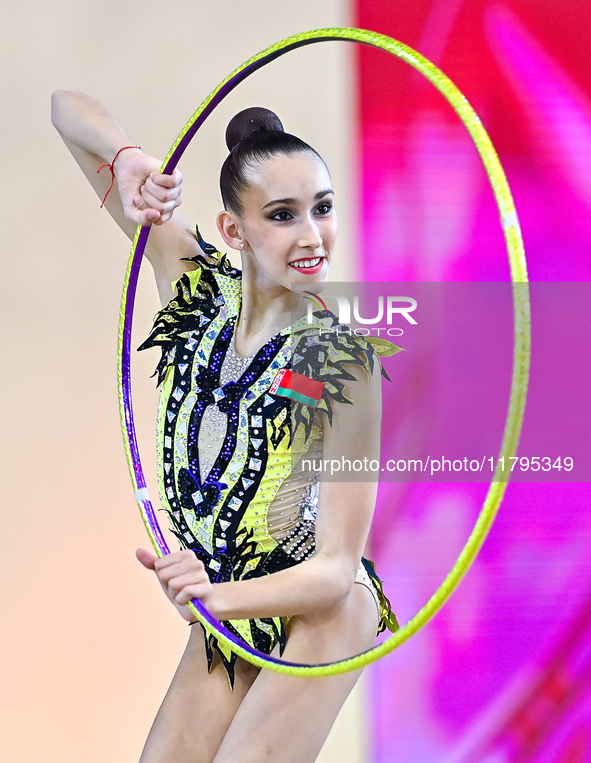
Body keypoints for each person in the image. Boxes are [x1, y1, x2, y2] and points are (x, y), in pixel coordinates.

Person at [51, 91, 401, 763]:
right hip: (233, 603)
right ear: (232, 230)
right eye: (281, 215)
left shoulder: (340, 363)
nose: (311, 234)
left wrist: (211, 594)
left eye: (322, 208)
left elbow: (333, 567)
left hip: (316, 603)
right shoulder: (194, 288)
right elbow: (64, 108)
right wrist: (125, 162)